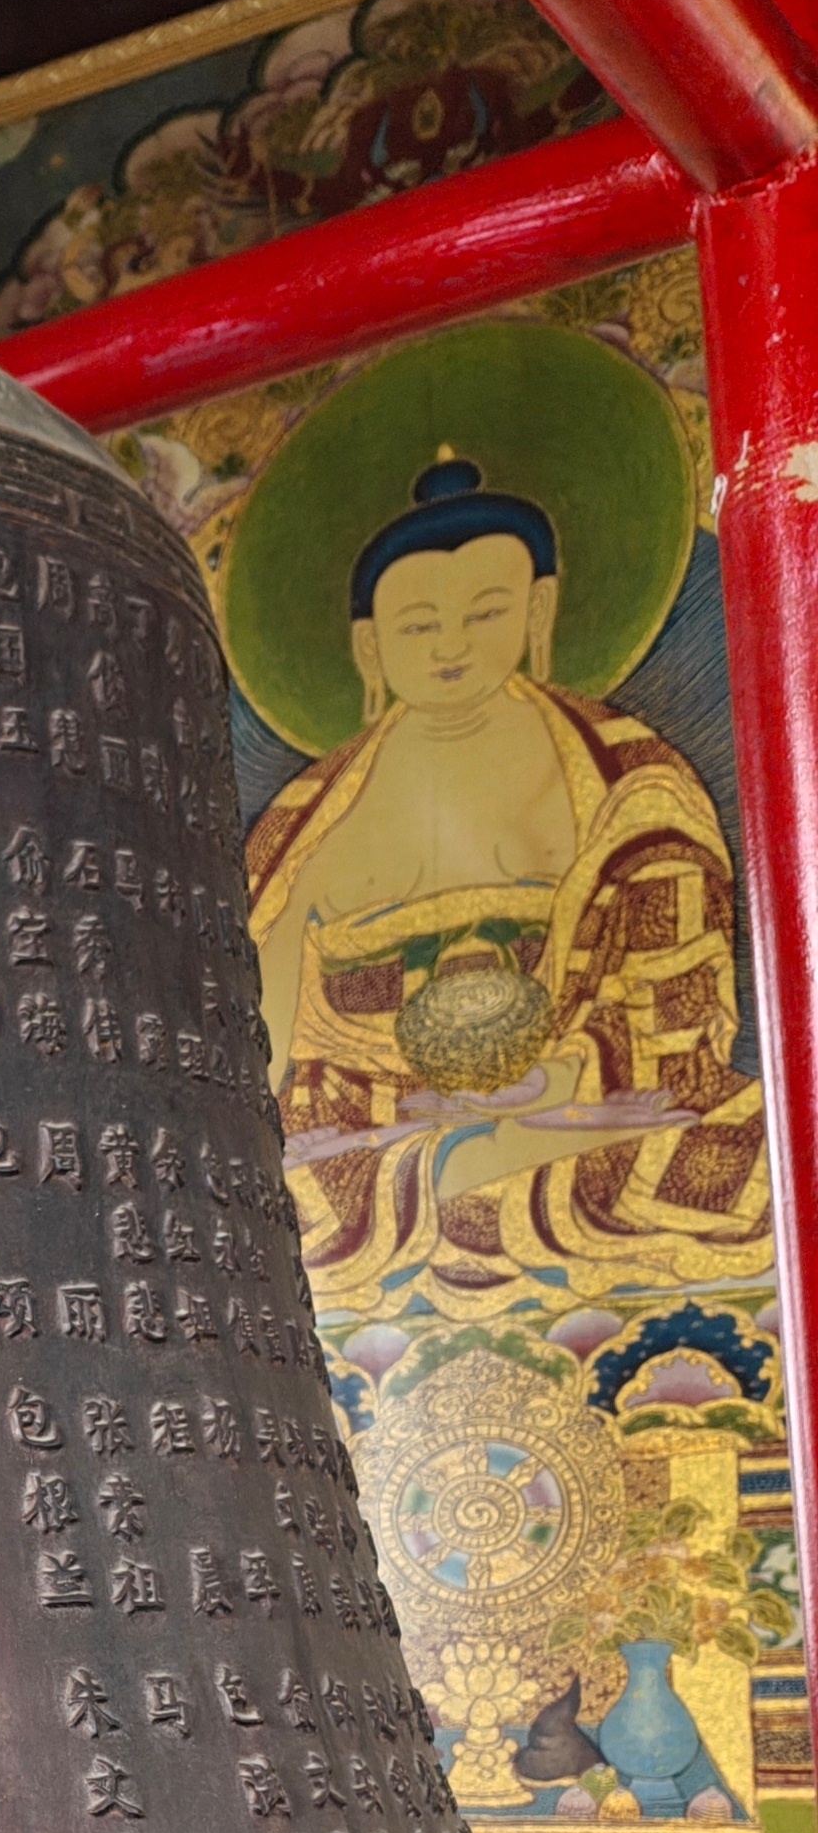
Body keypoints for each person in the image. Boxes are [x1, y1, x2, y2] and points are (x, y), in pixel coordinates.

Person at [246, 454, 766, 1314]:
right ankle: (465, 1170)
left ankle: (473, 1172)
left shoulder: (630, 783)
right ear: (369, 646)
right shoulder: (306, 819)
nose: (451, 645)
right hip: (377, 1123)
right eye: (418, 626)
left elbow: (676, 1026)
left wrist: (563, 1078)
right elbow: (258, 1043)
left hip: (585, 1106)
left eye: (484, 613)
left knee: (740, 1160)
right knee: (274, 1197)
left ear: (538, 610)